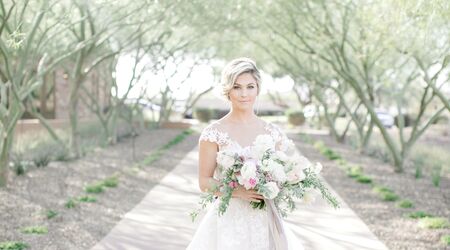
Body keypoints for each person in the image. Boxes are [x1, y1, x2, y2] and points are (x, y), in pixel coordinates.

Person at [187, 58, 303, 250]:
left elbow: (282, 175)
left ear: (257, 88)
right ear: (228, 90)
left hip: (265, 217)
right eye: (237, 87)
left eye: (250, 86)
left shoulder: (273, 133)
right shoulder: (213, 133)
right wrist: (238, 191)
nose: (244, 94)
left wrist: (282, 183)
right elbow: (204, 181)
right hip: (228, 220)